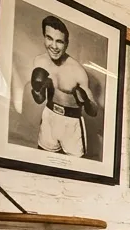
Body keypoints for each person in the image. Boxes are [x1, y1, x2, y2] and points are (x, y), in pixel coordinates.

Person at [29, 15, 97, 156]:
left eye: (59, 41)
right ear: (44, 37)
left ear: (66, 44)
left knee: (75, 170)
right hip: (49, 117)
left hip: (71, 124)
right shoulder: (39, 61)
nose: (54, 46)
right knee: (43, 162)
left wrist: (86, 101)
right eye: (49, 38)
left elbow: (93, 111)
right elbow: (40, 100)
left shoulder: (78, 71)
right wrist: (36, 90)